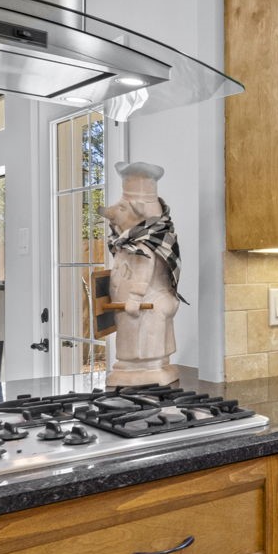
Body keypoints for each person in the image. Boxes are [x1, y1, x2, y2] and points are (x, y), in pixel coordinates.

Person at [102, 160, 182, 387]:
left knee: (145, 336)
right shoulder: (131, 242)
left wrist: (136, 297)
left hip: (144, 305)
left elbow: (144, 273)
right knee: (131, 333)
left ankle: (148, 362)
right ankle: (133, 363)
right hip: (129, 306)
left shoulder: (144, 246)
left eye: (122, 208)